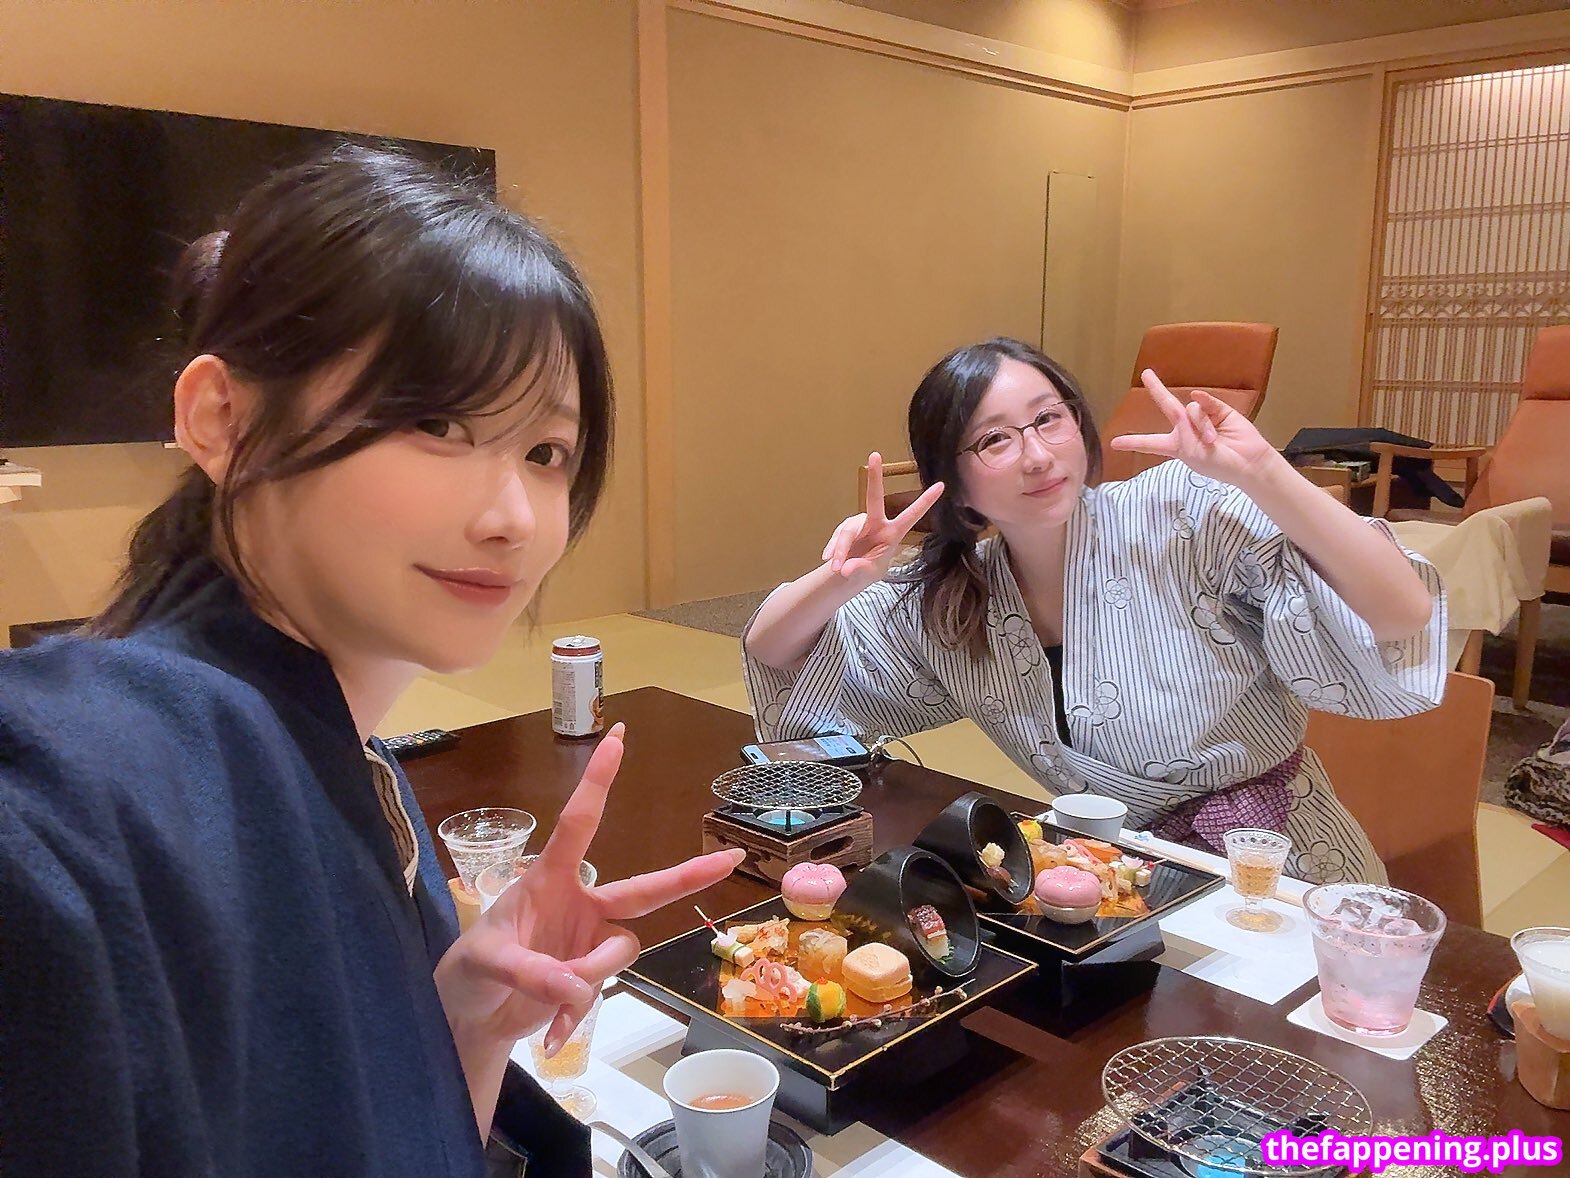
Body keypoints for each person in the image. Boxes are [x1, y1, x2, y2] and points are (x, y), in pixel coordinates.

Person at [0, 145, 742, 1177]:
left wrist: (466, 1025)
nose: (512, 517)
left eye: (545, 452)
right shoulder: (69, 810)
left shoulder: (348, 762)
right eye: (436, 422)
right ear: (220, 418)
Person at [744, 337, 1447, 885]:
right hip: (1114, 881)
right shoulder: (957, 595)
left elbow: (1402, 614)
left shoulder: (1184, 510)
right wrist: (836, 580)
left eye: (1048, 419)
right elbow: (774, 652)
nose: (1036, 455)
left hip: (1275, 870)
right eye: (994, 439)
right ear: (951, 482)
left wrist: (1265, 473)